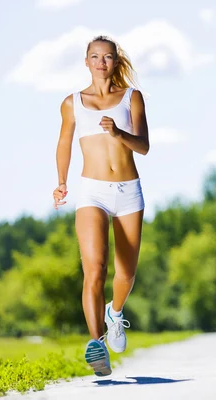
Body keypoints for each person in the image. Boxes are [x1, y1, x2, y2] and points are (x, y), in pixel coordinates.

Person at [52, 35, 150, 377]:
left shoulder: (132, 98)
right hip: (91, 191)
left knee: (126, 273)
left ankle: (115, 311)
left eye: (107, 57)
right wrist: (62, 181)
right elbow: (64, 143)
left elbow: (144, 147)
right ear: (86, 61)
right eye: (94, 57)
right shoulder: (72, 103)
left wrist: (119, 133)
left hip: (128, 192)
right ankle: (96, 344)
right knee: (94, 268)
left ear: (115, 61)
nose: (101, 63)